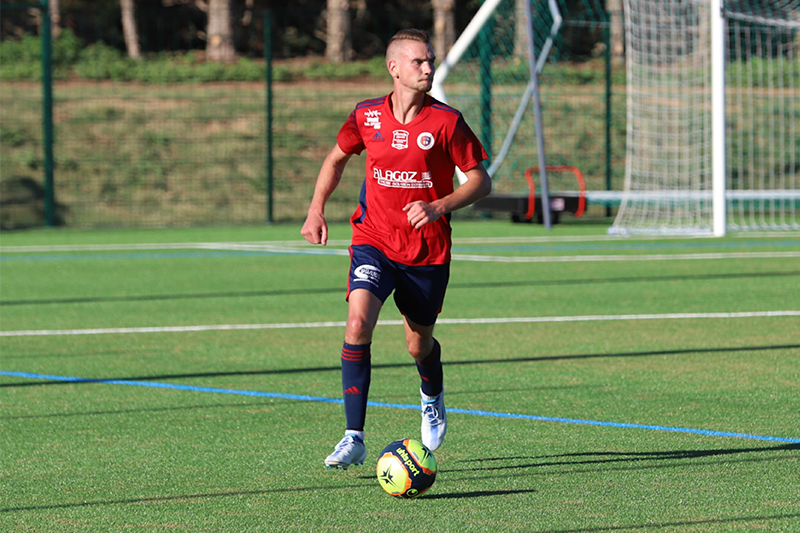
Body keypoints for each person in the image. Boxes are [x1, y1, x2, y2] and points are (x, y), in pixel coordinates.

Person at [301, 28, 491, 470]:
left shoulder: (447, 121)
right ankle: (353, 437)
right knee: (357, 324)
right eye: (418, 61)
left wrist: (439, 205)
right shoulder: (366, 116)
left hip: (426, 252)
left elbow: (481, 180)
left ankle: (431, 394)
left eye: (430, 60)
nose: (428, 68)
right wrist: (315, 209)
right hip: (374, 240)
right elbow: (335, 159)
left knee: (417, 345)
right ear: (394, 68)